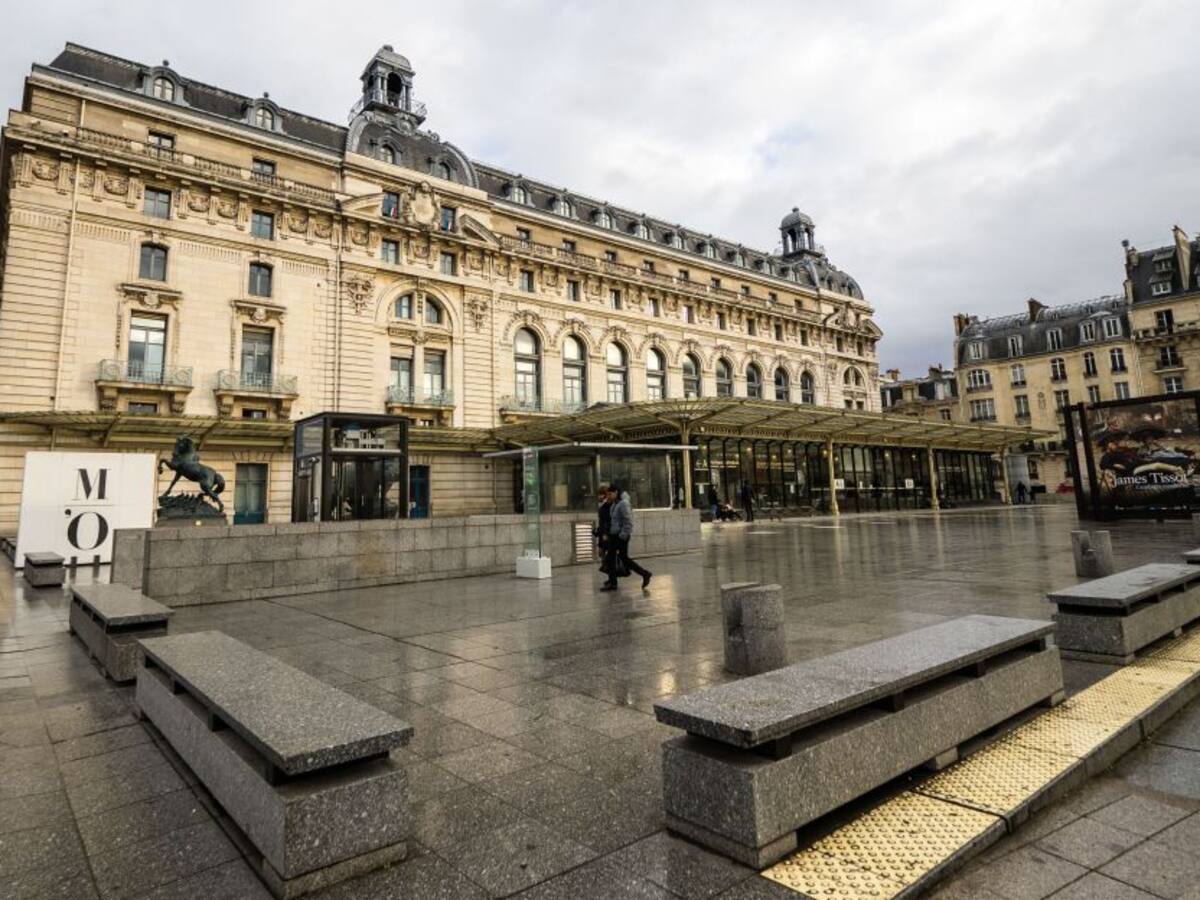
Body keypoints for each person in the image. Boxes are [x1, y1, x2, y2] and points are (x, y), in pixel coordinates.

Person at [601, 483, 652, 591]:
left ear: (616, 492)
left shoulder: (623, 504)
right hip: (614, 535)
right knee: (612, 558)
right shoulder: (615, 503)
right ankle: (613, 582)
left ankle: (645, 573)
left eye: (610, 494)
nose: (608, 496)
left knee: (624, 559)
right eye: (607, 494)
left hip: (620, 536)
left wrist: (622, 536)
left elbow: (628, 522)